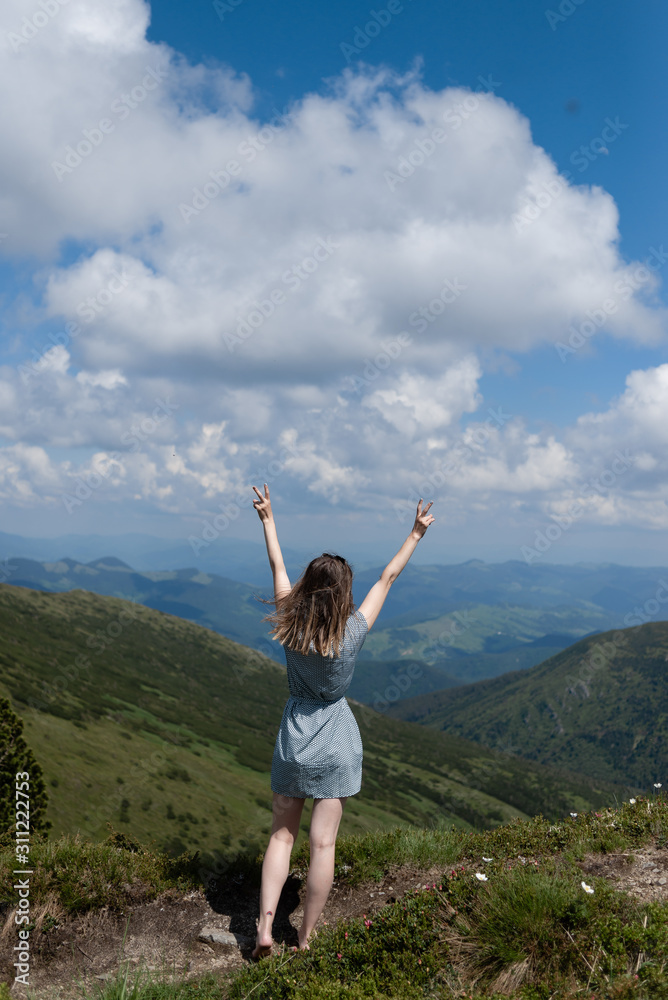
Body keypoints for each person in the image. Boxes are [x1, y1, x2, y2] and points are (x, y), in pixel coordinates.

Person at [249, 482, 435, 959]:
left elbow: (277, 567)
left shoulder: (290, 623)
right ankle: (306, 938)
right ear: (344, 594)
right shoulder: (351, 632)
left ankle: (265, 928)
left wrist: (268, 519)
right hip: (336, 742)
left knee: (281, 836)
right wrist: (415, 533)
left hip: (294, 740)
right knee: (323, 845)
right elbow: (387, 579)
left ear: (308, 589)